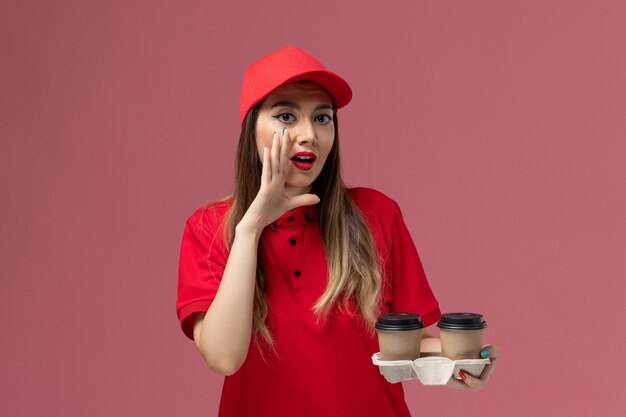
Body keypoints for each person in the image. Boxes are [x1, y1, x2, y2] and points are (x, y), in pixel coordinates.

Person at [176, 46, 499, 417]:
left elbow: (405, 346)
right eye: (286, 116)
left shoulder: (377, 214)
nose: (309, 134)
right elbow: (223, 357)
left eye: (322, 118)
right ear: (251, 130)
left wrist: (463, 360)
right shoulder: (209, 229)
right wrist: (250, 229)